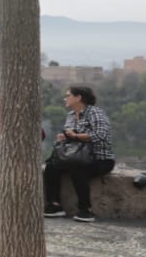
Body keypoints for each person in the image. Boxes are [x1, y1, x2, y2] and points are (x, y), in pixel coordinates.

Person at [42, 84, 114, 223]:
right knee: (51, 167)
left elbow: (100, 135)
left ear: (78, 97)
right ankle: (55, 205)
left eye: (68, 95)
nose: (65, 98)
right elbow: (71, 136)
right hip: (75, 156)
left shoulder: (95, 113)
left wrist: (75, 136)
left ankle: (86, 209)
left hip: (99, 159)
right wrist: (66, 137)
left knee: (79, 171)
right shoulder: (70, 115)